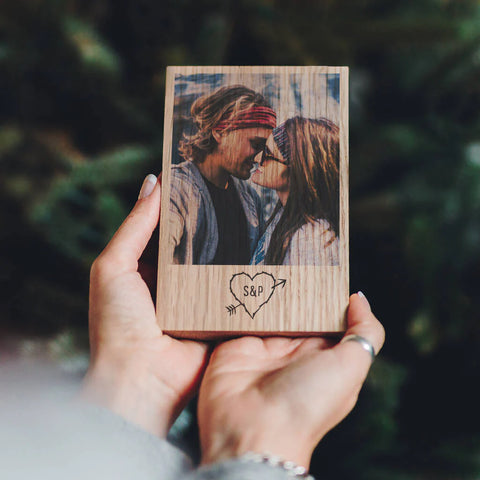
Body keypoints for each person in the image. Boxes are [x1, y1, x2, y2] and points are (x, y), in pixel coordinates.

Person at [77, 173, 385, 479]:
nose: (260, 158)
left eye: (271, 153)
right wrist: (272, 438)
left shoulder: (308, 233)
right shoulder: (238, 206)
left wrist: (133, 382)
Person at [169, 85, 276, 265]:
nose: (259, 158)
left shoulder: (251, 199)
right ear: (220, 132)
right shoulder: (177, 189)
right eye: (255, 144)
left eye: (264, 149)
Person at [250, 116, 339, 265]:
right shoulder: (286, 214)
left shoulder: (310, 242)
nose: (258, 158)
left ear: (297, 170)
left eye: (268, 153)